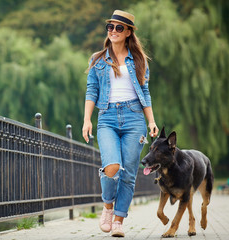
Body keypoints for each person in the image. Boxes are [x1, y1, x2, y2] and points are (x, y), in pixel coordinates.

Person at [82, 10, 159, 237]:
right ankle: (107, 206)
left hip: (135, 118)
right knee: (112, 166)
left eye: (118, 28)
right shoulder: (97, 59)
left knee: (128, 175)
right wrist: (87, 119)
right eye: (110, 27)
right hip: (106, 118)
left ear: (128, 32)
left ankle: (118, 221)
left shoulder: (139, 60)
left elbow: (145, 92)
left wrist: (151, 121)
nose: (113, 31)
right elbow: (92, 91)